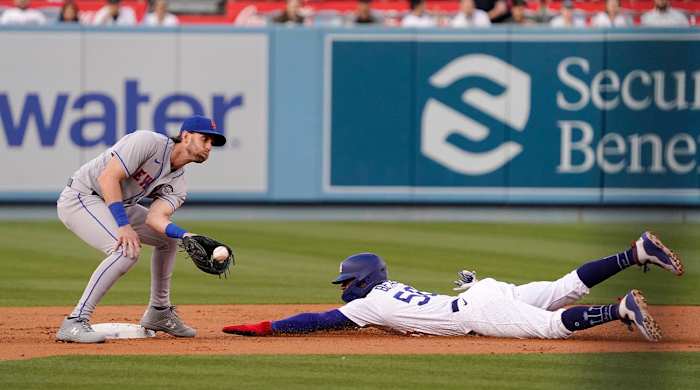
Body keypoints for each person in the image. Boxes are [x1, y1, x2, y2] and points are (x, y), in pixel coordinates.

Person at [223, 232, 683, 341]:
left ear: (361, 280)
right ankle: (635, 253)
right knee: (566, 284)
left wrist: (264, 327)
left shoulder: (368, 308)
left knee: (549, 328)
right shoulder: (387, 289)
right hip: (479, 292)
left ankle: (620, 310)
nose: (343, 289)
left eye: (347, 281)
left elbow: (316, 321)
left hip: (476, 311)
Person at [55, 115, 227, 343]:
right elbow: (108, 178)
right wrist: (123, 225)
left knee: (167, 241)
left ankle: (159, 310)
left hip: (116, 204)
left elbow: (156, 219)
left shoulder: (178, 184)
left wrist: (186, 235)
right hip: (82, 196)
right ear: (185, 136)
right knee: (126, 250)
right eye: (205, 138)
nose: (208, 147)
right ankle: (75, 321)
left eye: (212, 143)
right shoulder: (147, 142)